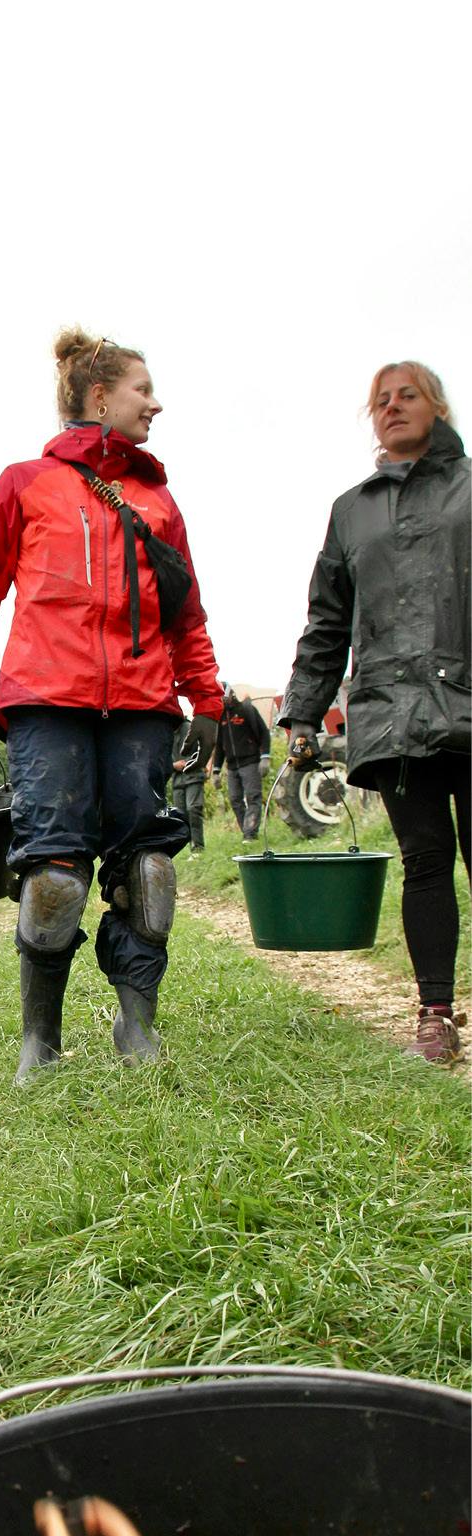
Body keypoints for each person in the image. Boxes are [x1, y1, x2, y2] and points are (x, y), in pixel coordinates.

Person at [0, 329, 220, 1081]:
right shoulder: (23, 484)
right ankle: (41, 1039)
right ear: (100, 397)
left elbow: (185, 614)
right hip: (46, 700)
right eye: (141, 389)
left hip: (142, 703)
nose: (155, 404)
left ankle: (138, 1027)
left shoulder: (158, 502)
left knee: (150, 873)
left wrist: (210, 700)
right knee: (54, 878)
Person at [284, 361, 472, 1062]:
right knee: (425, 861)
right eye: (381, 401)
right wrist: (303, 712)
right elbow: (327, 621)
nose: (392, 408)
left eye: (408, 396)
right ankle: (436, 1013)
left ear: (438, 406)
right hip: (393, 714)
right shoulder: (352, 510)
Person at [218, 687, 272, 840]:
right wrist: (216, 770)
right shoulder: (220, 718)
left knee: (252, 796)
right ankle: (246, 830)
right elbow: (219, 745)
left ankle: (250, 833)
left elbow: (264, 733)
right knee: (235, 799)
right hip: (232, 766)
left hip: (250, 761)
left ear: (230, 694)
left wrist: (265, 757)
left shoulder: (246, 710)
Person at [169, 709, 215, 839]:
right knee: (179, 815)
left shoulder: (190, 728)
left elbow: (205, 751)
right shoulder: (168, 734)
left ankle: (197, 847)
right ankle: (185, 846)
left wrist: (187, 763)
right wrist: (174, 766)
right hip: (177, 780)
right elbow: (164, 760)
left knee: (193, 809)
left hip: (193, 776)